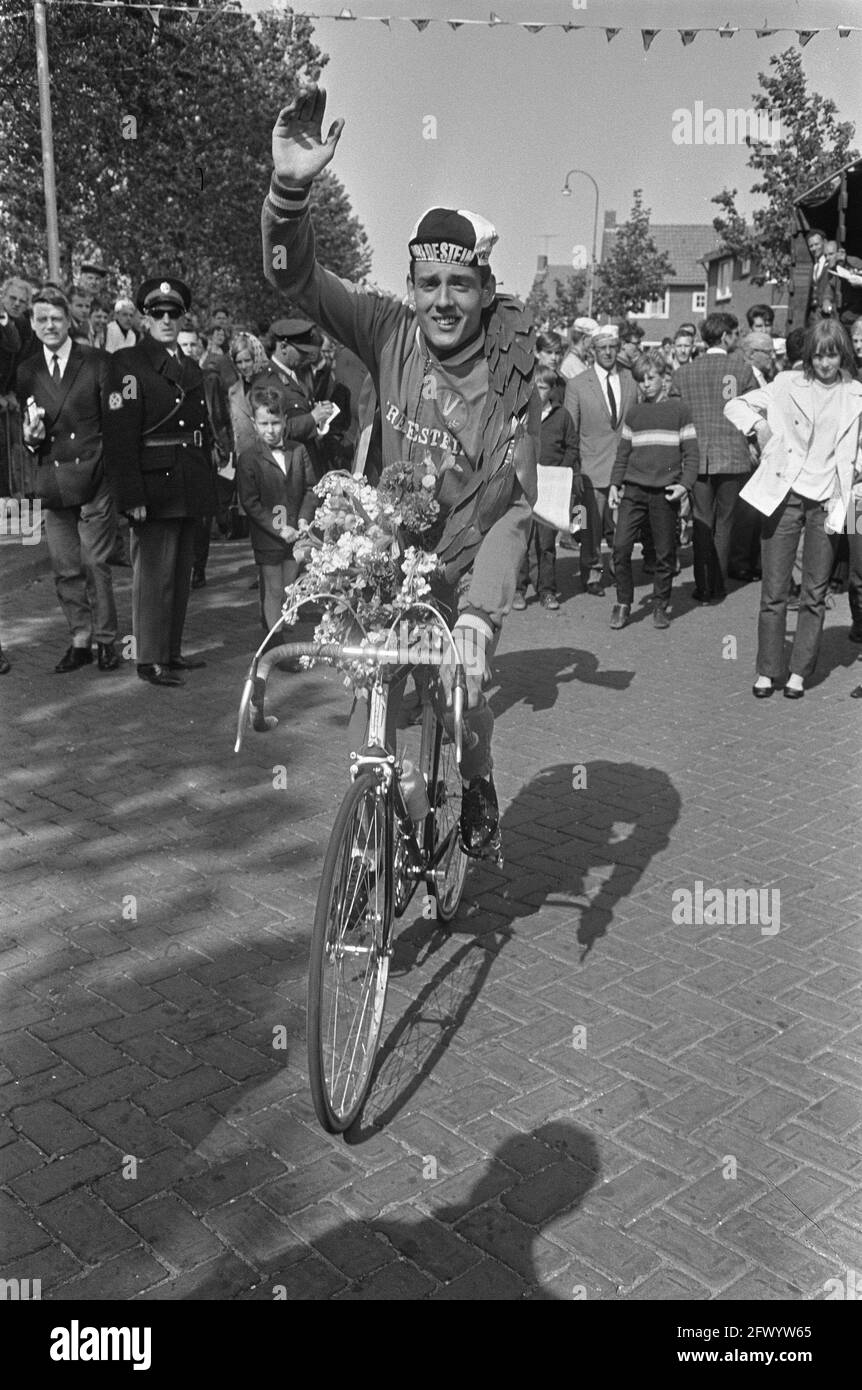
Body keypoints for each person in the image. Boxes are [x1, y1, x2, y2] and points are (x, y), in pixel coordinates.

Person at [261, 86, 538, 856]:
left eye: (460, 286)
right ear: (410, 289)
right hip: (384, 564)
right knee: (372, 725)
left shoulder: (513, 377)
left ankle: (476, 779)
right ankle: (371, 858)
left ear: (484, 290)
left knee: (459, 698)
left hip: (461, 566)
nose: (442, 301)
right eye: (428, 285)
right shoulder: (387, 329)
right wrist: (289, 192)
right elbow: (295, 281)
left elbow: (516, 507)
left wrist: (481, 613)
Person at [724, 319, 862, 698]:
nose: (824, 364)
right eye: (818, 355)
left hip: (829, 499)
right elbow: (735, 404)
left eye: (832, 355)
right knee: (775, 588)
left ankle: (800, 671)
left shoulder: (857, 394)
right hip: (785, 494)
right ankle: (768, 670)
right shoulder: (786, 383)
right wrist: (760, 428)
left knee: (815, 591)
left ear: (842, 354)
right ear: (808, 356)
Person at [102, 277, 215, 687]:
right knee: (153, 574)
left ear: (184, 317)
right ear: (145, 317)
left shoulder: (189, 366)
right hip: (153, 482)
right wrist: (131, 494)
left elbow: (202, 425)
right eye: (158, 314)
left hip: (188, 476)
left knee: (180, 571)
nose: (167, 320)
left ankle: (170, 651)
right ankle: (148, 657)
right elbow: (118, 435)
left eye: (174, 314)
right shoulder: (128, 364)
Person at [15, 287, 119, 672]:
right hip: (54, 479)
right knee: (65, 567)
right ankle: (80, 639)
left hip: (94, 475)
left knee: (95, 563)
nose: (49, 326)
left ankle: (108, 641)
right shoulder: (26, 371)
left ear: (69, 320)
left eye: (56, 318)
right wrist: (31, 438)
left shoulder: (96, 362)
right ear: (32, 323)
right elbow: (30, 433)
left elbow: (113, 423)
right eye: (41, 319)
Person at [669, 312, 757, 602]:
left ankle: (703, 585)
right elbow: (756, 412)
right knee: (725, 521)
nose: (738, 338)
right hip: (732, 455)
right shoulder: (741, 370)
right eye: (735, 333)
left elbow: (676, 417)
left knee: (701, 519)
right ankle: (718, 584)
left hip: (697, 455)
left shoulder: (683, 373)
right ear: (725, 336)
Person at [608, 351, 698, 630]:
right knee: (620, 547)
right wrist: (614, 484)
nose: (646, 384)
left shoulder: (680, 410)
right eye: (641, 380)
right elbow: (623, 453)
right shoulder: (634, 413)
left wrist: (684, 486)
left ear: (664, 378)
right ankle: (623, 602)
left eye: (651, 378)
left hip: (664, 493)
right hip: (633, 491)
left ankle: (660, 604)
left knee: (664, 553)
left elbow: (692, 455)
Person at [237, 387, 317, 637]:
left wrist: (304, 519)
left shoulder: (298, 450)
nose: (270, 430)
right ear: (254, 423)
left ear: (284, 420)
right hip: (269, 535)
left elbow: (311, 488)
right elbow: (251, 502)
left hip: (296, 532)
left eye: (275, 423)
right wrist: (278, 528)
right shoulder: (249, 458)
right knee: (272, 588)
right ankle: (276, 642)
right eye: (263, 424)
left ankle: (281, 628)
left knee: (288, 586)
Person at [564, 322, 637, 594]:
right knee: (591, 527)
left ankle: (620, 570)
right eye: (602, 348)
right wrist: (575, 470)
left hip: (625, 466)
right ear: (592, 350)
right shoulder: (577, 384)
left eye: (612, 347)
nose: (607, 352)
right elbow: (570, 430)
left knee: (622, 526)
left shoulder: (630, 381)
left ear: (618, 349)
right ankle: (592, 572)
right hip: (591, 466)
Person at [513, 366, 577, 612]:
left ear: (551, 390)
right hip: (524, 484)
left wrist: (560, 472)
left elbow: (572, 447)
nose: (537, 391)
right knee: (521, 540)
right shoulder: (522, 413)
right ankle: (519, 589)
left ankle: (547, 590)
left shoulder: (562, 416)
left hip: (551, 486)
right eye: (535, 386)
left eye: (543, 387)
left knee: (546, 542)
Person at [558, 316, 597, 381]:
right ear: (584, 338)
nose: (595, 343)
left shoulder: (577, 360)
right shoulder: (573, 363)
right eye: (593, 339)